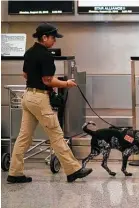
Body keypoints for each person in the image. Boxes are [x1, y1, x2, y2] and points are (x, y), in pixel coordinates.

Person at [7, 23, 93, 183]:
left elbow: (25, 74)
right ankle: (73, 170)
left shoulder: (29, 52)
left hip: (28, 97)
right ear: (44, 37)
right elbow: (47, 80)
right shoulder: (46, 56)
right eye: (53, 38)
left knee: (24, 137)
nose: (54, 41)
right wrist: (67, 83)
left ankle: (15, 172)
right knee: (56, 135)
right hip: (39, 99)